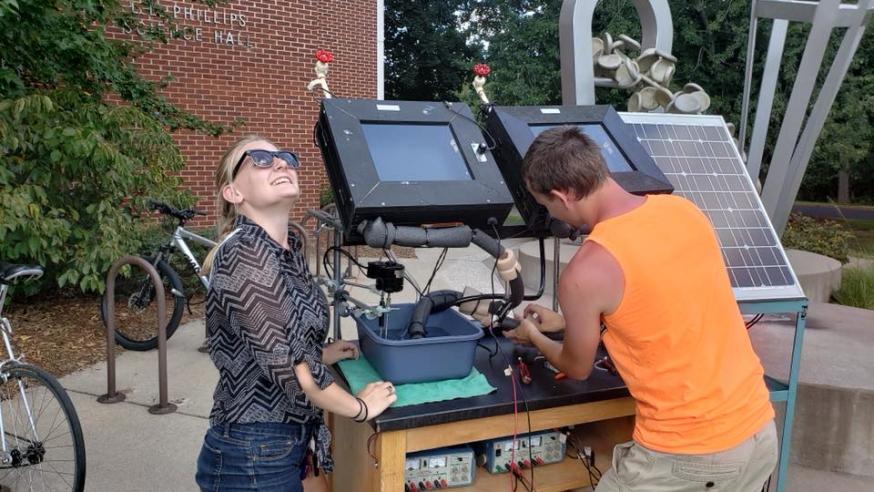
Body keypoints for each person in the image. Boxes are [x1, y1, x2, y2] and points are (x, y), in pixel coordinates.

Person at [505, 126, 778, 491]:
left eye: (547, 206)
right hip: (758, 430)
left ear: (562, 196)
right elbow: (660, 303)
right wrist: (571, 321)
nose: (553, 215)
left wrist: (534, 334)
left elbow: (576, 367)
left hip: (689, 452)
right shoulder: (684, 211)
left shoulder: (586, 270)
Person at [196, 135, 397, 492]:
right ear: (233, 193)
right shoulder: (245, 254)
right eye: (259, 159)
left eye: (285, 158)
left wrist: (321, 353)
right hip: (252, 454)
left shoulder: (284, 247)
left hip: (283, 442)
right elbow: (295, 370)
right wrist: (359, 407)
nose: (281, 163)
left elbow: (272, 344)